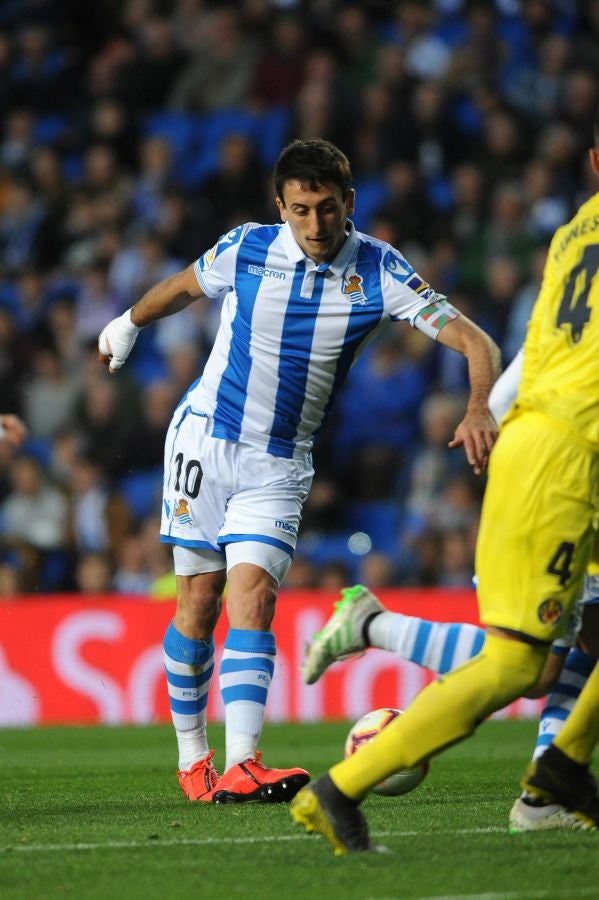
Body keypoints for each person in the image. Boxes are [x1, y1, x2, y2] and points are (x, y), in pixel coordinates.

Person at [98, 138, 500, 805]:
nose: (315, 226)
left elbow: (474, 340)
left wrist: (478, 405)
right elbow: (179, 288)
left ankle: (244, 762)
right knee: (197, 603)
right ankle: (192, 759)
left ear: (349, 202)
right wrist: (127, 323)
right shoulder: (247, 247)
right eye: (300, 210)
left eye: (327, 209)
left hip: (280, 463)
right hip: (204, 439)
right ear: (279, 206)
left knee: (251, 596)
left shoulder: (377, 269)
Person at [289, 121, 599, 853]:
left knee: (543, 657)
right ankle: (339, 786)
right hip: (569, 455)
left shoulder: (569, 234)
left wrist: (490, 413)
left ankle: (559, 770)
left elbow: (541, 346)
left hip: (543, 436)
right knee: (523, 664)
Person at [301, 349, 599, 833]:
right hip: (561, 483)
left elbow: (523, 365)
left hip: (557, 475)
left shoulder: (572, 293)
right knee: (527, 662)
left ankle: (544, 793)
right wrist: (489, 416)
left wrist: (490, 416)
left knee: (563, 657)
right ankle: (375, 626)